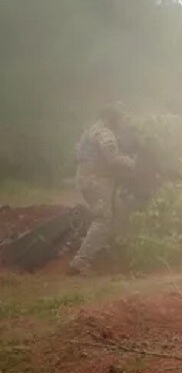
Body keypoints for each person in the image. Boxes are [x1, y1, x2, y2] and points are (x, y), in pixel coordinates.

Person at [69, 103, 137, 275]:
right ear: (110, 118)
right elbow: (113, 159)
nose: (120, 122)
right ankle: (81, 260)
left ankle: (100, 249)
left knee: (113, 214)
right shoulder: (105, 133)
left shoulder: (90, 131)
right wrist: (134, 163)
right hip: (97, 180)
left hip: (89, 178)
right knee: (104, 219)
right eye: (118, 119)